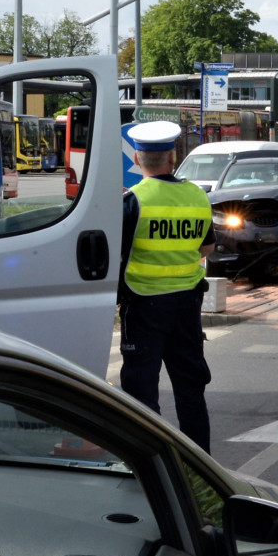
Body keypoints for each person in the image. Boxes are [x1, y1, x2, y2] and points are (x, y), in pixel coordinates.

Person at [118, 121, 216, 454]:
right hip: (187, 308)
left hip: (144, 307)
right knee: (190, 390)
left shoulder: (133, 201)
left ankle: (156, 462)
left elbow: (116, 253)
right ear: (173, 158)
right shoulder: (197, 196)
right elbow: (207, 248)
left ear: (136, 158)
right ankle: (202, 462)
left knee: (142, 391)